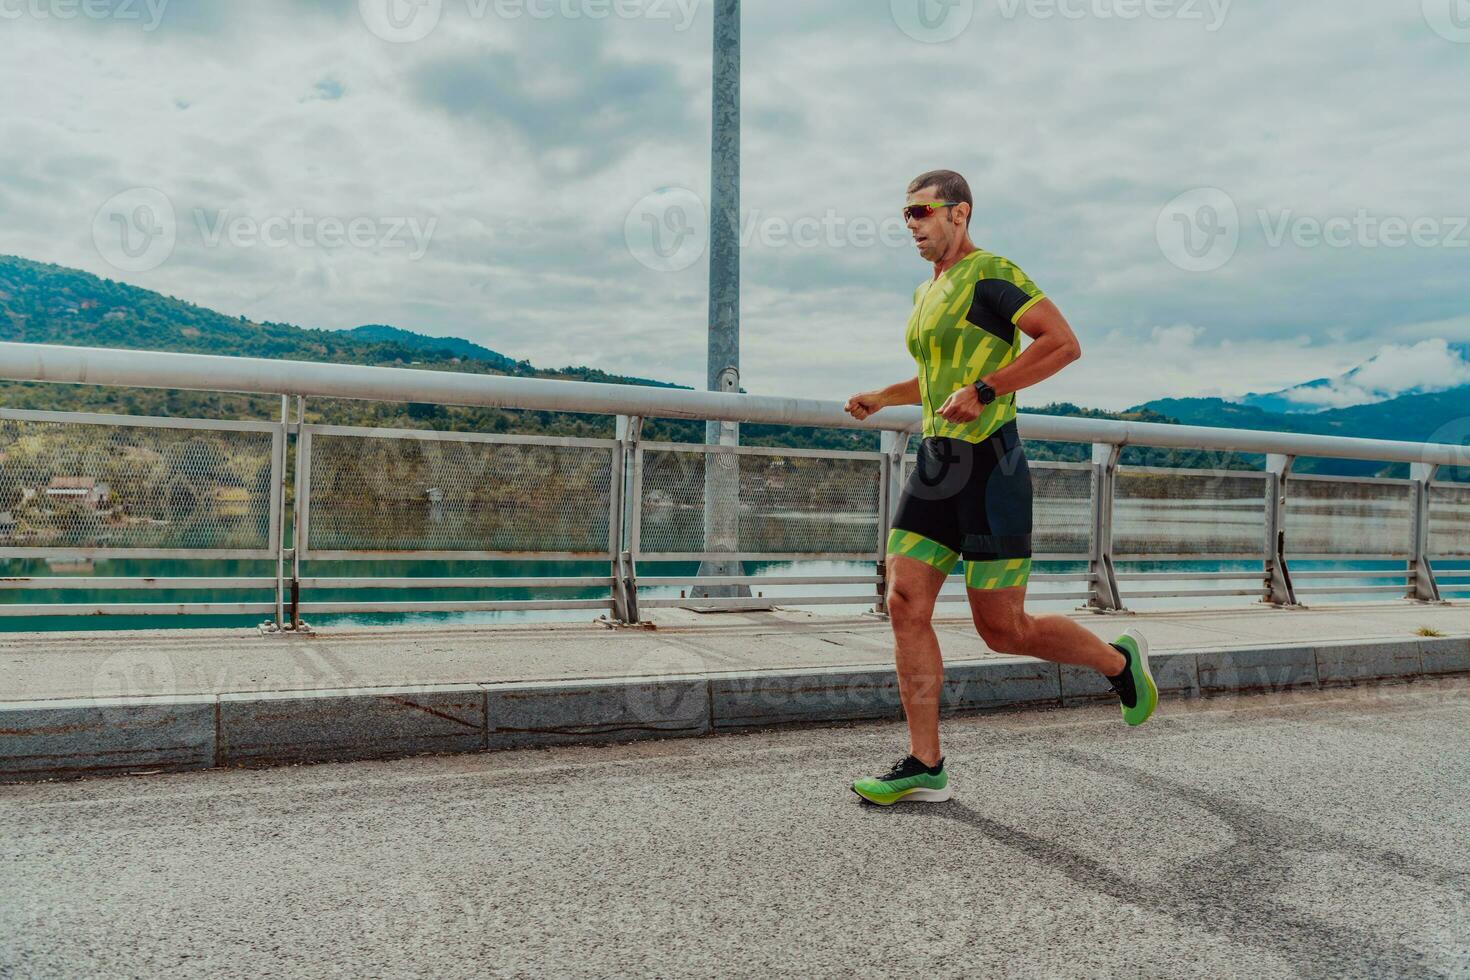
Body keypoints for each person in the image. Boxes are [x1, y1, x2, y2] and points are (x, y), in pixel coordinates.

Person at [842, 169, 1157, 806]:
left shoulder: (993, 274)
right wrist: (884, 395)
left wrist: (988, 390)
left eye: (923, 212)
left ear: (959, 213)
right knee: (904, 601)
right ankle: (924, 763)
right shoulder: (926, 292)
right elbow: (937, 377)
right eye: (905, 215)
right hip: (935, 465)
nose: (913, 224)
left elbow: (1063, 344)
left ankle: (1120, 664)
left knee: (1003, 630)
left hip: (991, 467)